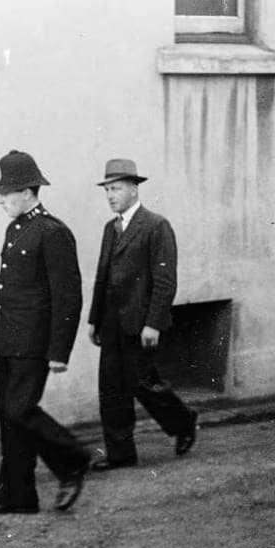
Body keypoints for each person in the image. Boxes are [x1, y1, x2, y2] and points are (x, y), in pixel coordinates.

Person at [0, 150, 90, 515]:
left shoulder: (52, 232)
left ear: (28, 192)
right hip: (10, 341)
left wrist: (60, 350)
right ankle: (18, 496)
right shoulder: (17, 228)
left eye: (6, 192)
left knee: (20, 409)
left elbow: (67, 296)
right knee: (11, 418)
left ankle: (72, 459)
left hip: (34, 342)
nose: (0, 199)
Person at [86, 159, 198, 470]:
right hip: (111, 323)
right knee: (111, 388)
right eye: (107, 190)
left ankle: (184, 421)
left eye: (117, 188)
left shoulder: (155, 226)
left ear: (134, 189)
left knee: (143, 383)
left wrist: (153, 323)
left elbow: (165, 280)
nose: (110, 195)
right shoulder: (111, 229)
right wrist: (95, 319)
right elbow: (102, 275)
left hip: (139, 323)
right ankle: (120, 453)